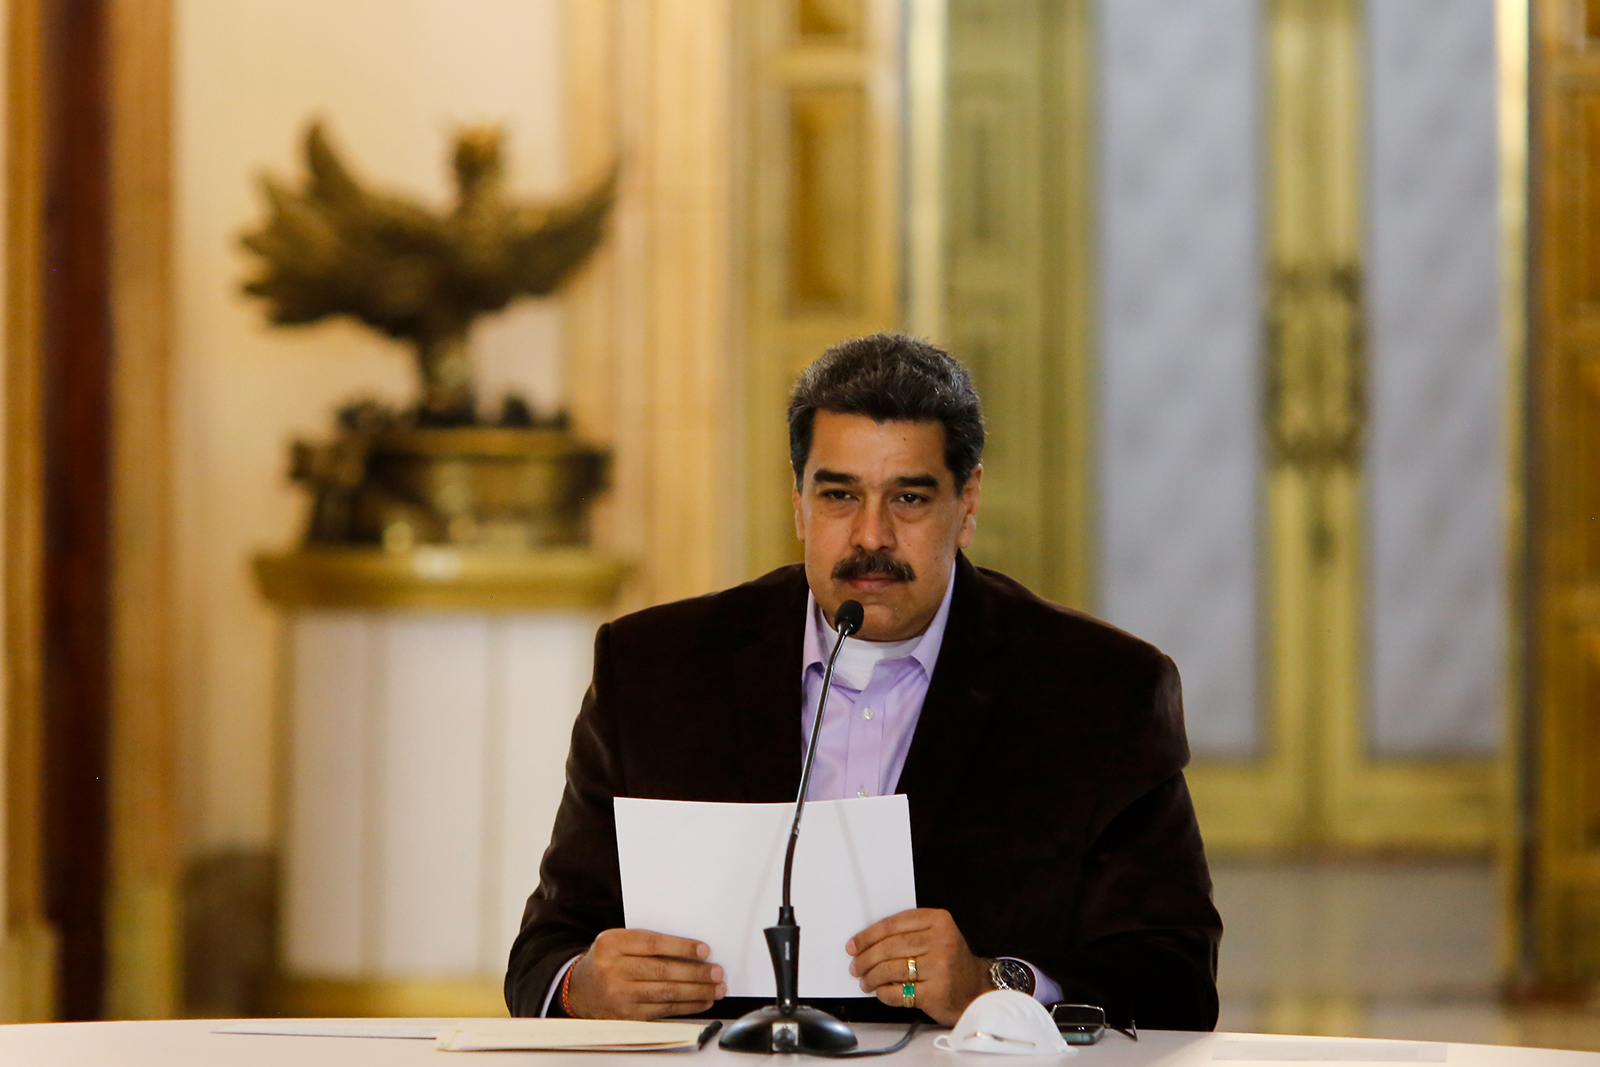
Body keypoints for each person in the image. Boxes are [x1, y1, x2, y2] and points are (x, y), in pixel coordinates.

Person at [504, 333, 1222, 1029]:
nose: (870, 535)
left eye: (908, 499)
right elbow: (544, 952)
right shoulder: (655, 668)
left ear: (967, 503)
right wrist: (586, 986)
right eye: (839, 495)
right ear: (797, 501)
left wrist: (991, 981)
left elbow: (1176, 979)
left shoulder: (1101, 692)